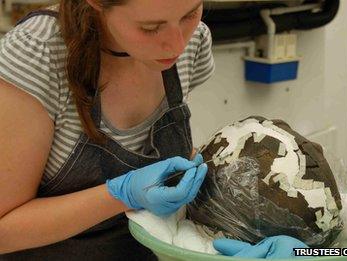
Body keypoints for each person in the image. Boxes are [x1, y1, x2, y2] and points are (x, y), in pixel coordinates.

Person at [0, 0, 307, 259]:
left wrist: (245, 225)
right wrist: (121, 194)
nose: (176, 44)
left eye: (190, 14)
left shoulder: (191, 42)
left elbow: (180, 163)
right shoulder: (37, 53)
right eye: (150, 27)